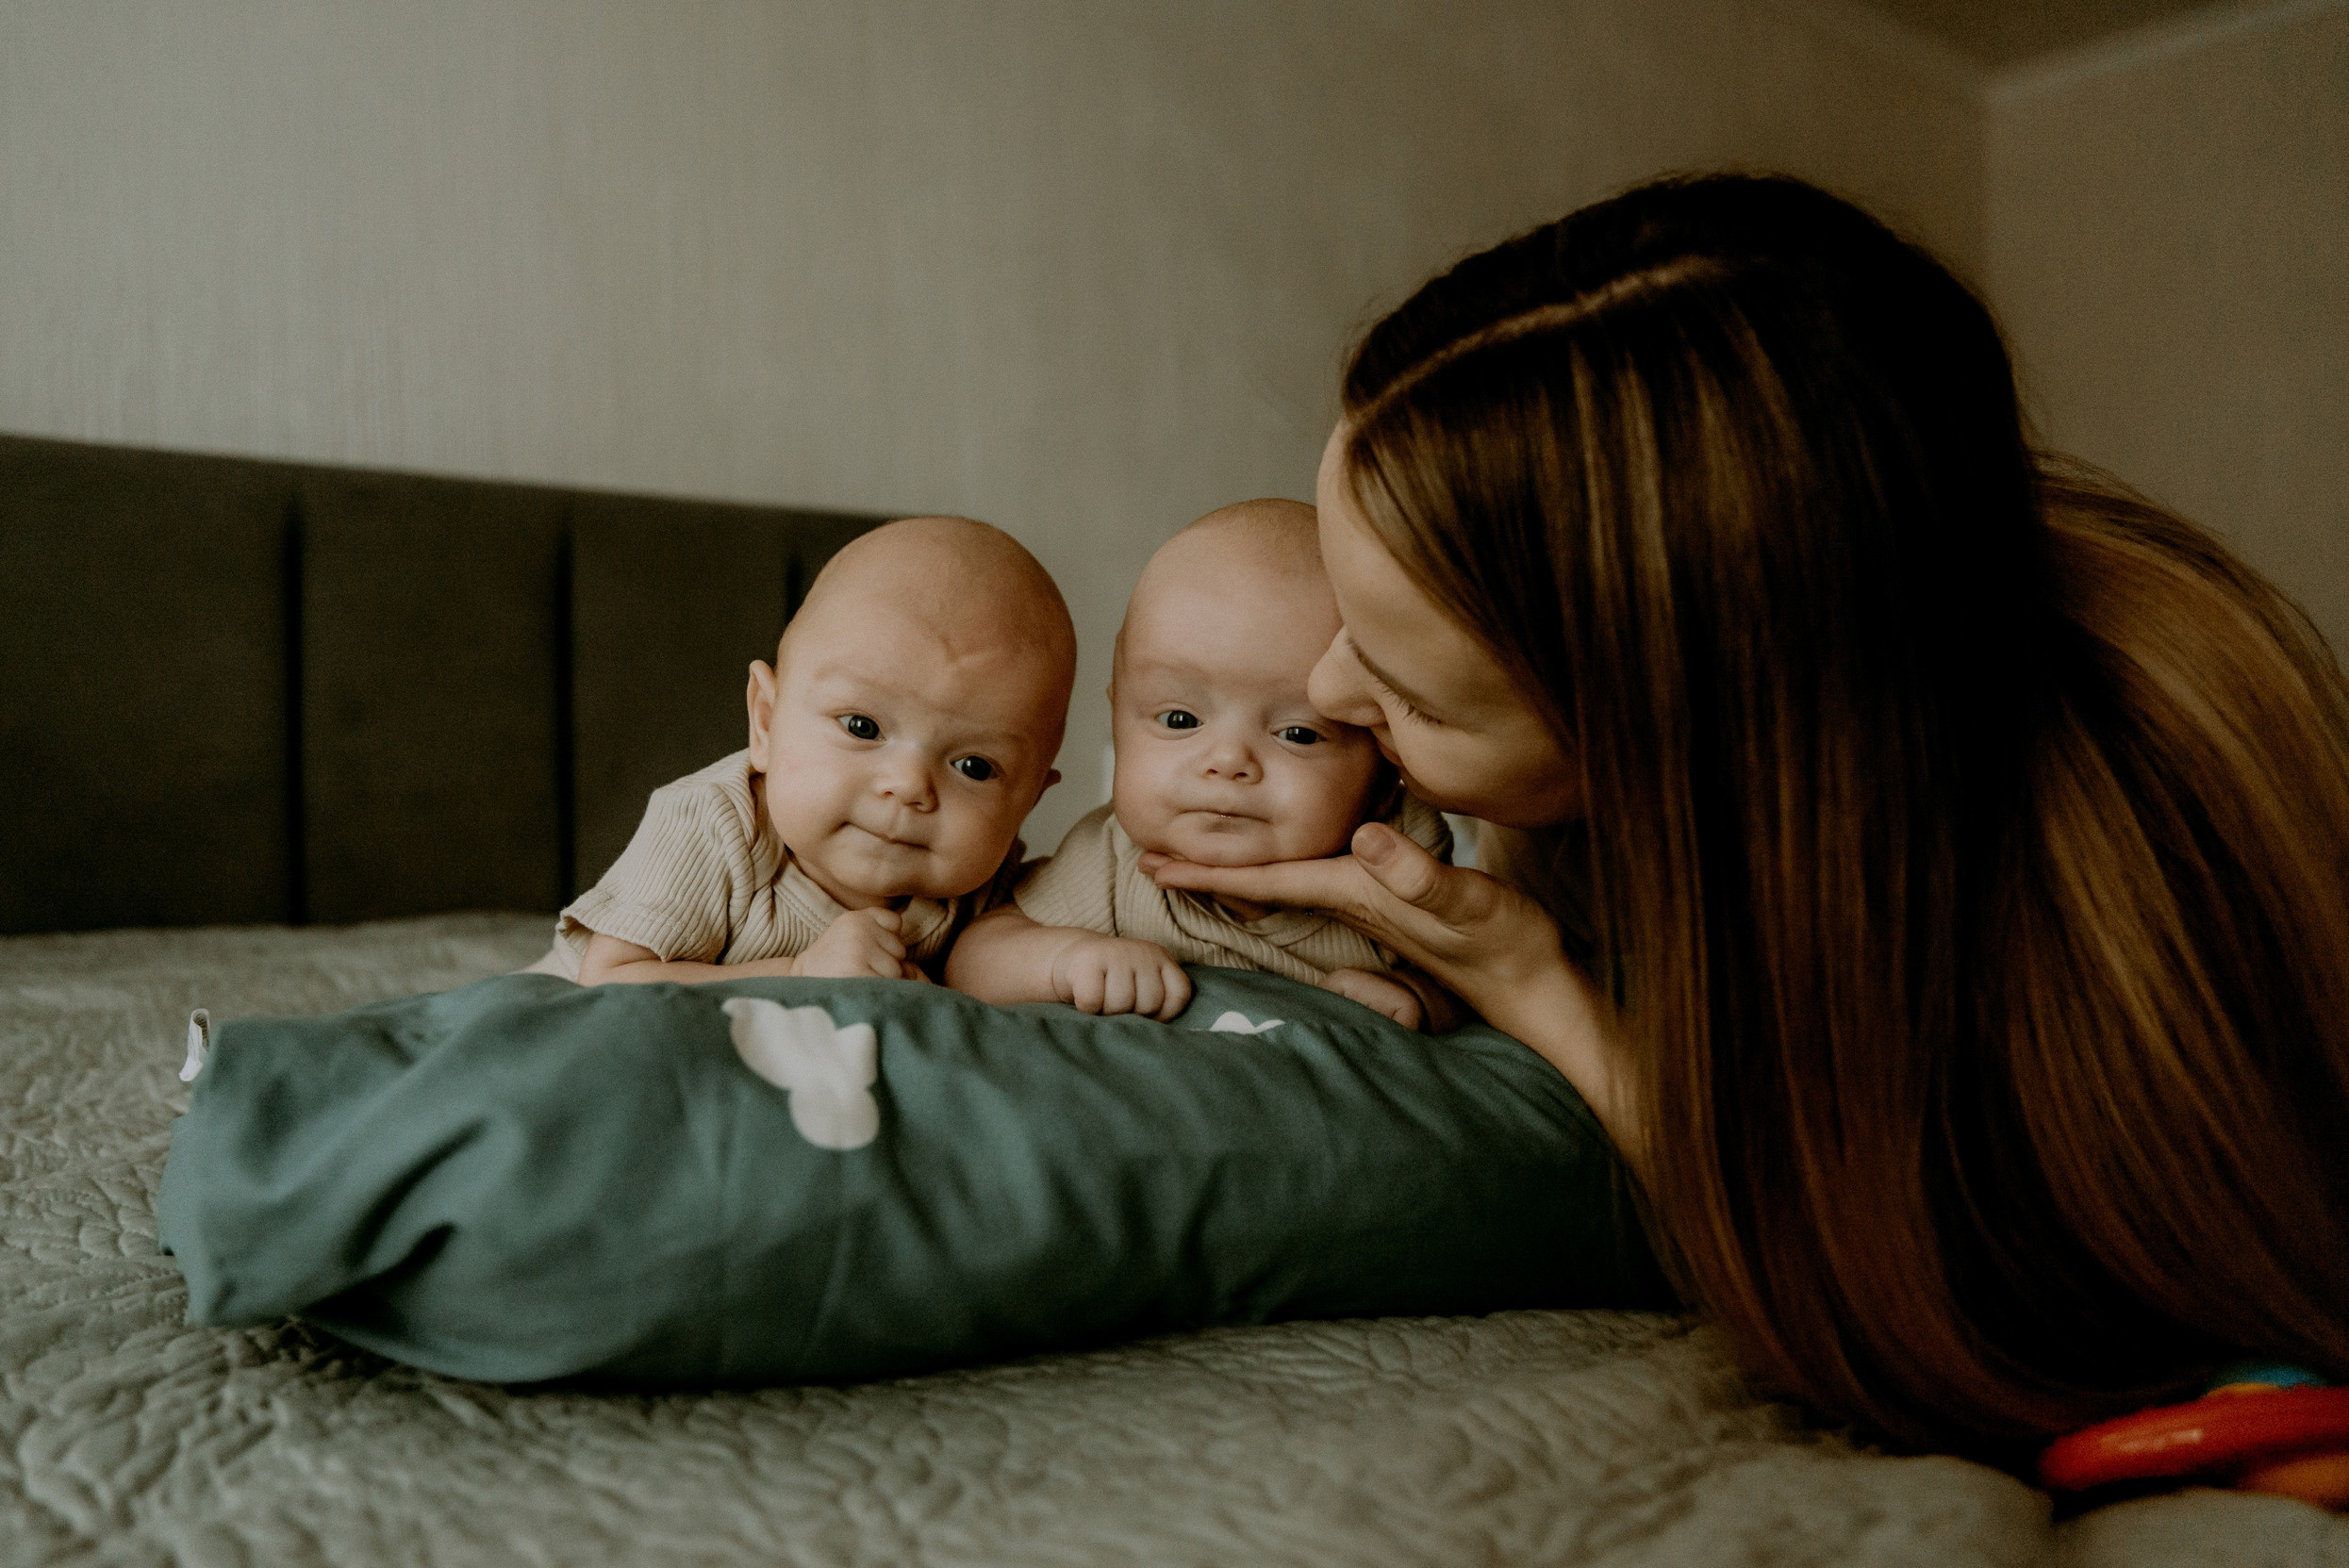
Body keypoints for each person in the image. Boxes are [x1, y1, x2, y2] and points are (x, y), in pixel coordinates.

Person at [1146, 173, 2349, 1459]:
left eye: (1407, 690)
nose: (1328, 689)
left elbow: (1903, 1320)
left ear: (1669, 738)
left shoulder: (2135, 836)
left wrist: (1535, 983)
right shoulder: (1748, 688)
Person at [947, 499, 1454, 1026]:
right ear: (1118, 710)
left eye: (1298, 734)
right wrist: (1065, 960)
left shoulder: (1396, 863)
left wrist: (1415, 995)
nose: (1228, 762)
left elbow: (1475, 983)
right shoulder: (1115, 862)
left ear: (1386, 769)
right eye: (1181, 721)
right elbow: (972, 957)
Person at [536, 515, 1075, 985]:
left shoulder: (984, 884)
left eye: (974, 767)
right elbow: (609, 982)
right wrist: (799, 973)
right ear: (765, 723)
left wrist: (1073, 959)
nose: (909, 785)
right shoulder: (717, 824)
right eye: (863, 726)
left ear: (1027, 800)